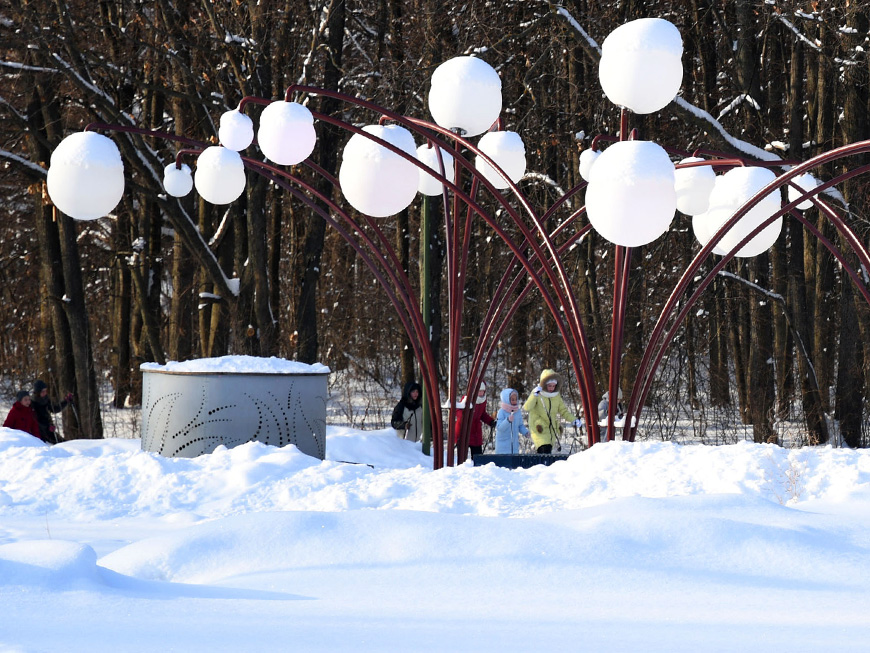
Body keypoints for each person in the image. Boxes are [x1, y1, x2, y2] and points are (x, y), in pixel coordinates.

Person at [523, 369, 582, 454]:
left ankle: (540, 466)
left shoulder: (556, 396)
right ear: (544, 384)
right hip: (539, 428)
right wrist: (534, 396)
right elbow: (527, 407)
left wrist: (574, 419)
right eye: (549, 385)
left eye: (553, 386)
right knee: (544, 448)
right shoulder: (537, 393)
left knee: (546, 452)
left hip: (551, 429)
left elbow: (563, 411)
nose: (551, 388)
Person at [454, 381, 495, 458]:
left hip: (476, 433)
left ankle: (477, 469)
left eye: (482, 391)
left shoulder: (483, 400)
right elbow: (458, 410)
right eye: (478, 391)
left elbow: (482, 414)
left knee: (478, 456)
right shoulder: (467, 399)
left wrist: (490, 421)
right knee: (462, 457)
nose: (480, 393)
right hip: (464, 431)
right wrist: (464, 416)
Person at [31, 380, 73, 445]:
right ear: (37, 392)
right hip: (39, 432)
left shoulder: (45, 399)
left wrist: (66, 401)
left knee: (63, 443)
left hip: (49, 430)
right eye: (43, 391)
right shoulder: (33, 403)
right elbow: (35, 420)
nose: (45, 393)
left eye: (45, 391)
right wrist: (47, 427)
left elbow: (54, 409)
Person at [495, 387, 529, 454]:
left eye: (516, 399)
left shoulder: (517, 412)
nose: (514, 401)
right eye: (512, 399)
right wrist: (507, 421)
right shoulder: (501, 412)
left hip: (514, 447)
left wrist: (526, 432)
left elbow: (520, 425)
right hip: (503, 447)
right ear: (506, 399)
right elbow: (499, 428)